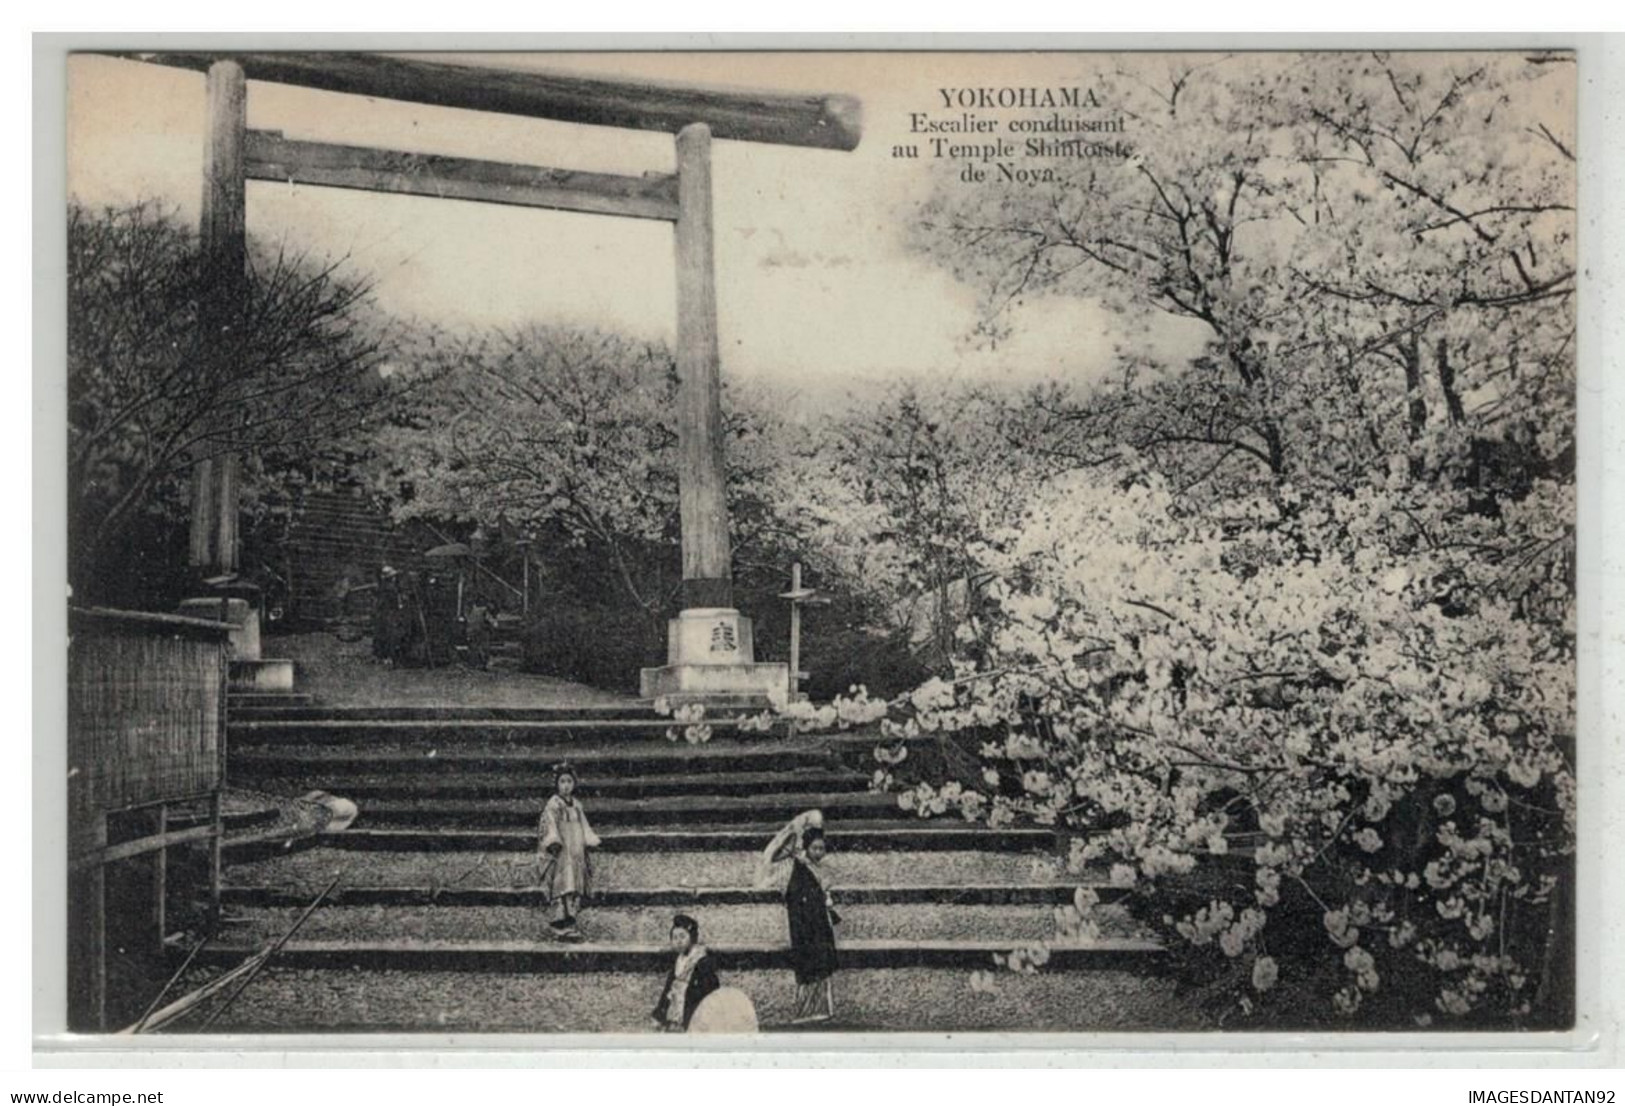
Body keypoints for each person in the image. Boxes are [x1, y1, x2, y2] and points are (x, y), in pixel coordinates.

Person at [782, 825, 840, 1024]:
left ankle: (823, 1008)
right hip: (806, 926)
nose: (818, 852)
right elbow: (794, 896)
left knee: (821, 964)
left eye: (821, 848)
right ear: (806, 848)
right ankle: (806, 1011)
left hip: (818, 924)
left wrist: (824, 894)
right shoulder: (800, 869)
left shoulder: (817, 868)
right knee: (810, 963)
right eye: (814, 848)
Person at [537, 763, 601, 942]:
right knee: (562, 882)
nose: (566, 785)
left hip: (575, 849)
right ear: (557, 784)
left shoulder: (577, 805)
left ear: (574, 784)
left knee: (575, 882)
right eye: (562, 781)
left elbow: (584, 826)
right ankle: (559, 920)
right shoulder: (553, 804)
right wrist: (553, 841)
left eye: (569, 781)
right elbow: (549, 825)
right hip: (562, 850)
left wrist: (589, 839)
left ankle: (571, 919)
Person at [650, 914, 721, 1032]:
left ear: (692, 938)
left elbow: (711, 987)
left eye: (682, 937)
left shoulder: (702, 961)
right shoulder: (678, 961)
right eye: (675, 938)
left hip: (693, 1008)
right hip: (675, 1007)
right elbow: (668, 987)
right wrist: (660, 1011)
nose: (678, 941)